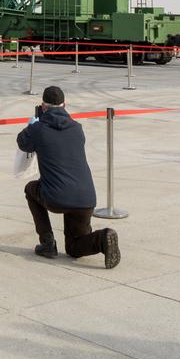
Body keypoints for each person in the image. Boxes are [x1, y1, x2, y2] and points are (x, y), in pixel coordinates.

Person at [16, 85, 120, 268]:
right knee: (74, 247)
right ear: (65, 105)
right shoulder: (77, 128)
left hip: (56, 197)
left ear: (43, 106)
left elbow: (23, 143)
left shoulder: (39, 128)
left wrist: (32, 124)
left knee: (30, 189)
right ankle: (102, 238)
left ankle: (47, 242)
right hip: (85, 198)